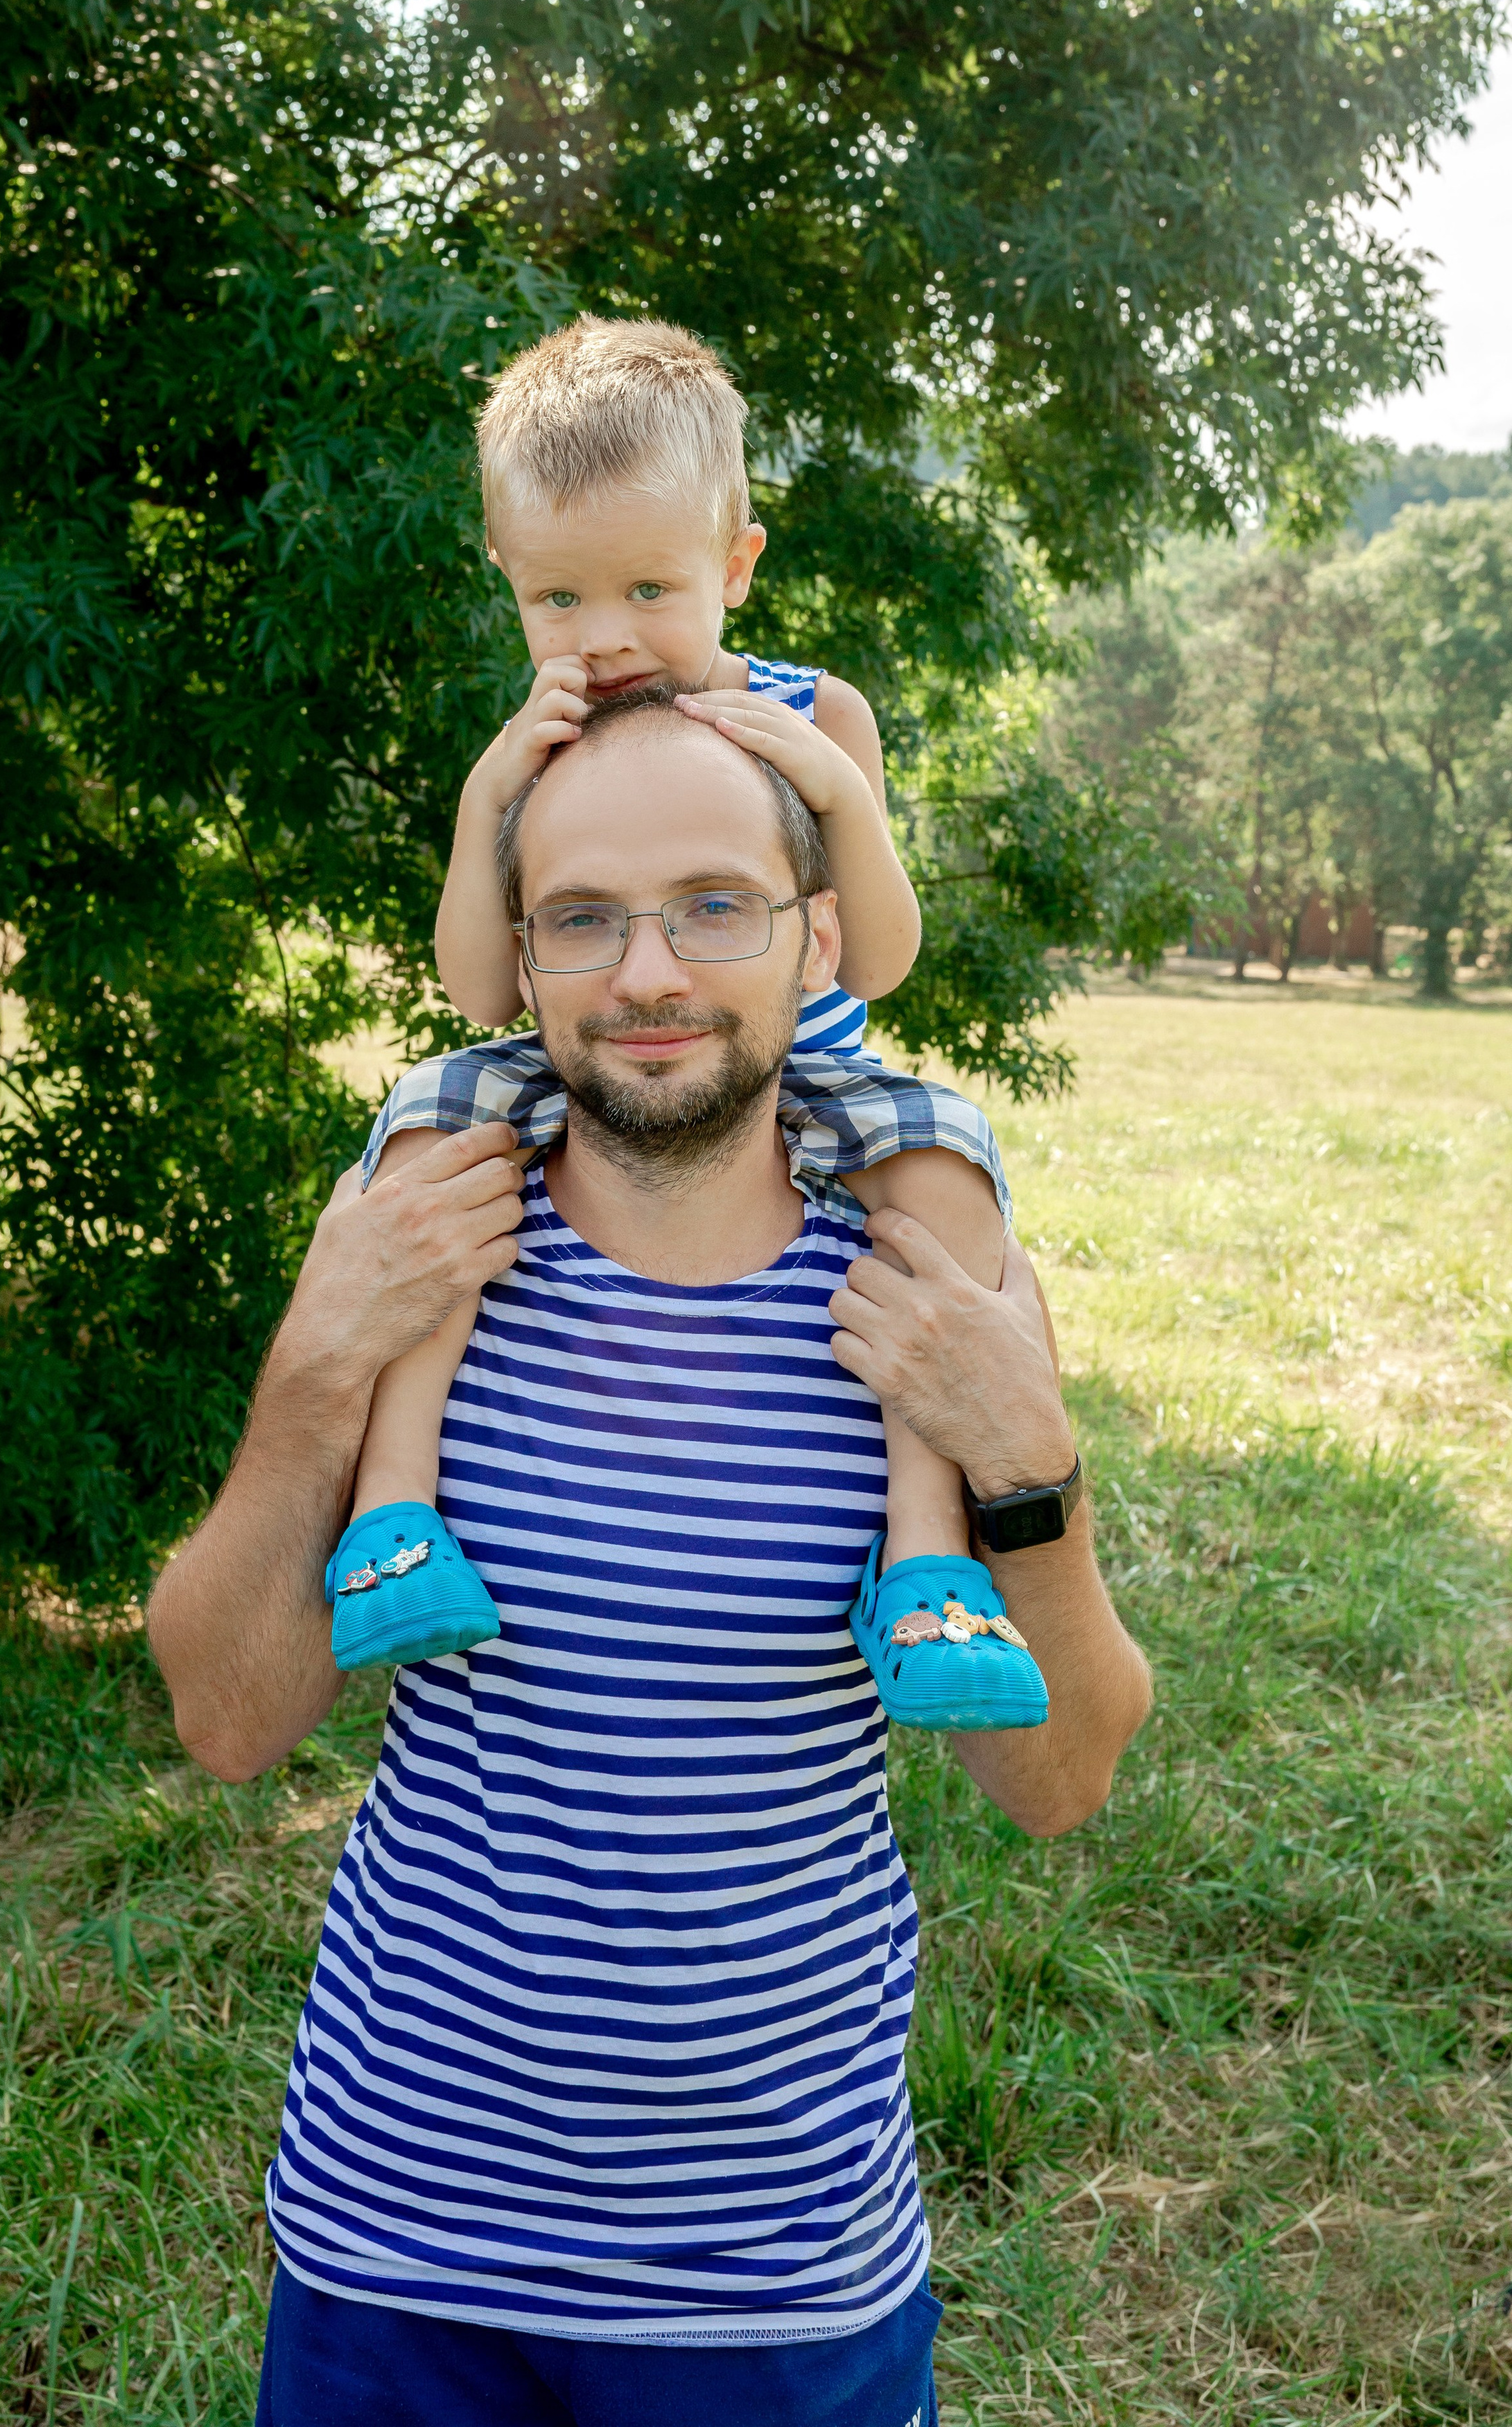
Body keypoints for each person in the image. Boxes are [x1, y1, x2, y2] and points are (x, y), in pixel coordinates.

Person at [146, 691, 1152, 2427]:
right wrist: (320, 1363)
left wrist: (1026, 1462)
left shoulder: (924, 1290)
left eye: (711, 905)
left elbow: (1057, 1779)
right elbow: (231, 1723)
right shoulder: (417, 1248)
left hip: (778, 2274)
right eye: (582, 919)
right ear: (517, 960)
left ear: (812, 934)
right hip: (401, 2245)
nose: (647, 976)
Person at [331, 314, 1041, 1732]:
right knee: (430, 1144)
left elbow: (881, 962)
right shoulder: (537, 738)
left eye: (649, 589)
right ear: (508, 584)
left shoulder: (812, 707)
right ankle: (392, 1520)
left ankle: (924, 1567)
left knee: (943, 1174)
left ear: (734, 564)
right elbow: (480, 993)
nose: (604, 640)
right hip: (580, 1061)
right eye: (557, 601)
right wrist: (487, 805)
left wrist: (834, 797)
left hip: (804, 1070)